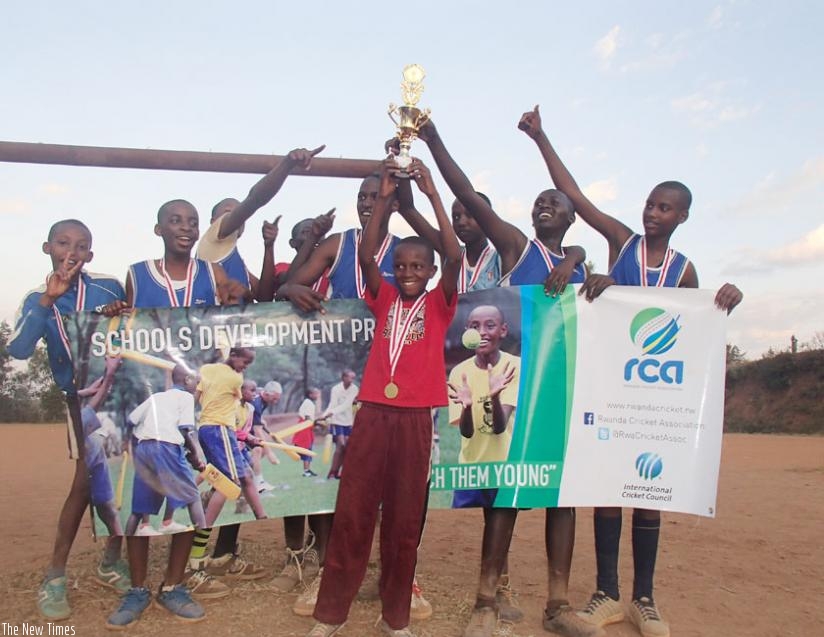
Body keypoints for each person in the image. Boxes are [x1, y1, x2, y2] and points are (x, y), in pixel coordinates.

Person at [518, 104, 743, 637]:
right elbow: (574, 195)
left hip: (654, 394)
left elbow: (694, 329)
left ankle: (643, 597)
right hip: (608, 388)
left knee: (648, 490)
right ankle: (606, 594)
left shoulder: (684, 269)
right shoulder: (622, 244)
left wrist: (727, 298)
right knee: (607, 487)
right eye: (649, 204)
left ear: (682, 217)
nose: (653, 213)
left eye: (665, 209)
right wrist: (540, 137)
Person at [419, 118, 592, 637]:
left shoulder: (585, 272)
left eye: (556, 204)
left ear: (571, 217)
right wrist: (432, 140)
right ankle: (486, 600)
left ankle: (558, 605)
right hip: (518, 389)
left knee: (562, 497)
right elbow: (467, 195)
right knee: (505, 493)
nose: (545, 206)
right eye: (539, 201)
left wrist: (587, 264)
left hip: (564, 395)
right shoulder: (518, 248)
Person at [305, 157, 461, 637]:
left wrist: (433, 193)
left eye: (418, 267)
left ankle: (396, 618)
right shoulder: (385, 296)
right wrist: (387, 197)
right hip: (373, 414)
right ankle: (331, 615)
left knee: (403, 519)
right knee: (353, 514)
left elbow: (454, 256)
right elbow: (368, 254)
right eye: (402, 267)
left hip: (415, 419)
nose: (408, 272)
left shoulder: (439, 303)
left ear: (431, 272)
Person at [103, 198, 241, 627]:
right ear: (158, 229)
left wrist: (235, 300)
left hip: (188, 400)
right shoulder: (137, 274)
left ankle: (175, 584)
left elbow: (240, 304)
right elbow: (122, 326)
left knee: (184, 496)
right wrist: (115, 314)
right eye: (175, 221)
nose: (184, 227)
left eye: (192, 222)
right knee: (143, 501)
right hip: (148, 400)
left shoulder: (211, 273)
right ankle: (138, 588)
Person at [8, 219, 129, 620]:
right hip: (79, 402)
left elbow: (131, 327)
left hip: (118, 395)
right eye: (63, 243)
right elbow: (20, 350)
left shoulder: (108, 287)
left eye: (81, 245)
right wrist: (47, 299)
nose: (71, 252)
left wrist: (120, 311)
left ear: (90, 255)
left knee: (123, 475)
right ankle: (55, 576)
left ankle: (112, 559)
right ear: (48, 248)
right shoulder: (36, 298)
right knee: (86, 482)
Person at [446, 305, 521, 637]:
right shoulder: (459, 372)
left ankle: (493, 593)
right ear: (467, 331)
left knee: (500, 518)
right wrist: (466, 406)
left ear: (503, 330)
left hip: (505, 461)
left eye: (491, 324)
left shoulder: (514, 366)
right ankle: (499, 582)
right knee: (490, 520)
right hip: (472, 463)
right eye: (475, 325)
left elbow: (499, 427)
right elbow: (466, 432)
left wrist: (493, 394)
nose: (483, 331)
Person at [196, 145, 324, 300]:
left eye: (239, 213)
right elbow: (254, 199)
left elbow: (265, 298)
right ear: (213, 222)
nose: (238, 217)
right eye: (228, 213)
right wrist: (287, 164)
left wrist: (268, 246)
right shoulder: (211, 240)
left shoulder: (233, 260)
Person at [77, 356, 126, 539]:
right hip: (86, 456)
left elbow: (73, 397)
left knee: (108, 510)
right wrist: (110, 374)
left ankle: (112, 557)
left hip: (95, 453)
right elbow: (95, 403)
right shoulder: (80, 420)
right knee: (84, 505)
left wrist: (86, 391)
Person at [322, 369, 359, 480]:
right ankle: (332, 472)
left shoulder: (354, 389)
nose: (352, 380)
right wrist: (325, 414)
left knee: (346, 447)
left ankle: (339, 472)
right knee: (341, 445)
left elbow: (347, 405)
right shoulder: (336, 389)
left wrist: (331, 412)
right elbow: (332, 404)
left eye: (353, 378)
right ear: (343, 377)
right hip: (337, 421)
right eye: (349, 377)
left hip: (348, 421)